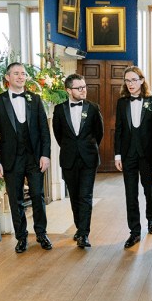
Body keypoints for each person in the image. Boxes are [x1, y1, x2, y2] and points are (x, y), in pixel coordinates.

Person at [0, 62, 52, 253]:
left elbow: (44, 132)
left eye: (23, 73)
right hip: (10, 160)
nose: (21, 76)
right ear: (7, 77)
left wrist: (45, 155)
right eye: (16, 73)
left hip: (34, 158)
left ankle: (41, 234)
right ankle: (21, 238)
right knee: (16, 200)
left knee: (38, 196)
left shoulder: (35, 99)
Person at [52, 74, 104, 249]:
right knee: (74, 196)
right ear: (69, 90)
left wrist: (88, 148)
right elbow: (58, 135)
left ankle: (84, 234)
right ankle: (79, 226)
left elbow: (99, 134)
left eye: (84, 86)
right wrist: (70, 148)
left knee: (85, 196)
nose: (83, 90)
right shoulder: (59, 110)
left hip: (89, 158)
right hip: (68, 159)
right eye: (79, 87)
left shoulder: (93, 108)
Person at [114, 67, 152, 249]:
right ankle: (134, 231)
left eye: (134, 80)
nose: (130, 84)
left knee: (149, 189)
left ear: (142, 80)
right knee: (130, 193)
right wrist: (118, 154)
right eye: (127, 81)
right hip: (128, 156)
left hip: (147, 156)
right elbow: (118, 129)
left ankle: (151, 219)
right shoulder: (122, 103)